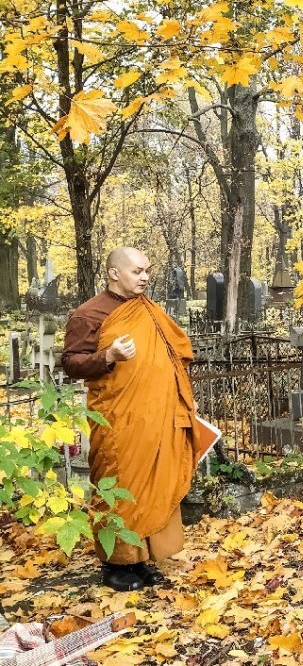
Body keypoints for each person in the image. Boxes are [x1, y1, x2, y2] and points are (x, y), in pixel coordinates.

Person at [61, 247, 197, 592]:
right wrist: (108, 355)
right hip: (117, 419)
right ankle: (115, 565)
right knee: (119, 486)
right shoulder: (88, 315)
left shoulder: (150, 310)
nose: (145, 277)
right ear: (114, 273)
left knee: (154, 484)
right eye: (137, 271)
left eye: (147, 271)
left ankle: (143, 559)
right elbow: (71, 363)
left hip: (156, 417)